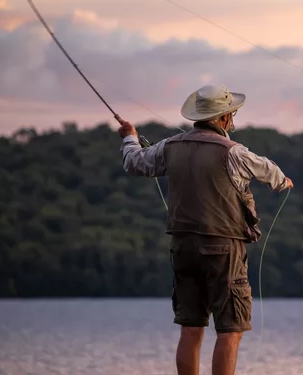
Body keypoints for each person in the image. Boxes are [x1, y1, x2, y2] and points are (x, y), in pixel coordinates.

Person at [115, 84, 293, 375]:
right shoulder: (235, 152)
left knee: (191, 328)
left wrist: (130, 138)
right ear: (223, 119)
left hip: (182, 248)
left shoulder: (169, 147)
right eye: (231, 114)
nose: (232, 118)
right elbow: (271, 172)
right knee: (230, 330)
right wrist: (283, 182)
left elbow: (134, 163)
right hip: (224, 249)